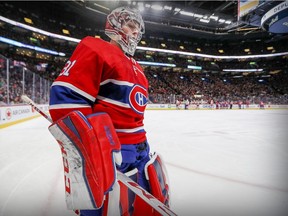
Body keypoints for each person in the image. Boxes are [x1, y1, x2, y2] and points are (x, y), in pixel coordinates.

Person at [48, 6, 170, 216]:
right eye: (130, 26)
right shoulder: (95, 48)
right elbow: (65, 100)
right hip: (111, 149)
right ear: (113, 25)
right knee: (106, 207)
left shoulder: (138, 69)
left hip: (140, 149)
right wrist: (95, 147)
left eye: (137, 30)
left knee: (142, 206)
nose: (134, 33)